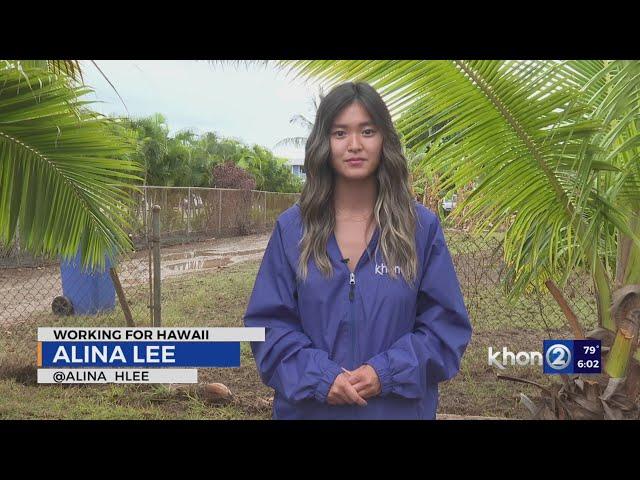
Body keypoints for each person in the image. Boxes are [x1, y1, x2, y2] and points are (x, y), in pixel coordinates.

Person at [243, 82, 472, 419]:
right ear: (324, 143)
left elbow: (445, 330)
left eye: (367, 131)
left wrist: (385, 373)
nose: (354, 145)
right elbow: (268, 329)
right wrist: (321, 377)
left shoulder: (420, 229)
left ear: (384, 141)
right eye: (340, 133)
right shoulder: (292, 230)